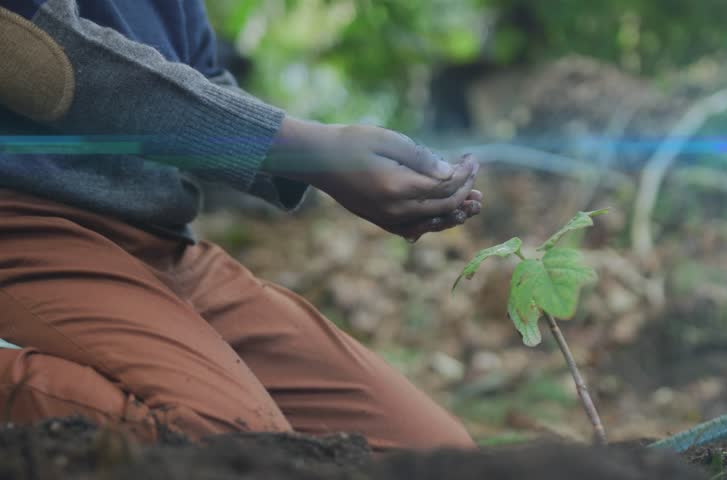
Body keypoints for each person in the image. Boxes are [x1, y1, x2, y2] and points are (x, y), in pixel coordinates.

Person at [0, 0, 480, 450]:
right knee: (225, 443)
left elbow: (194, 78)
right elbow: (27, 50)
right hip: (24, 226)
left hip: (157, 241)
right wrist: (300, 149)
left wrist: (323, 158)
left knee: (435, 457)